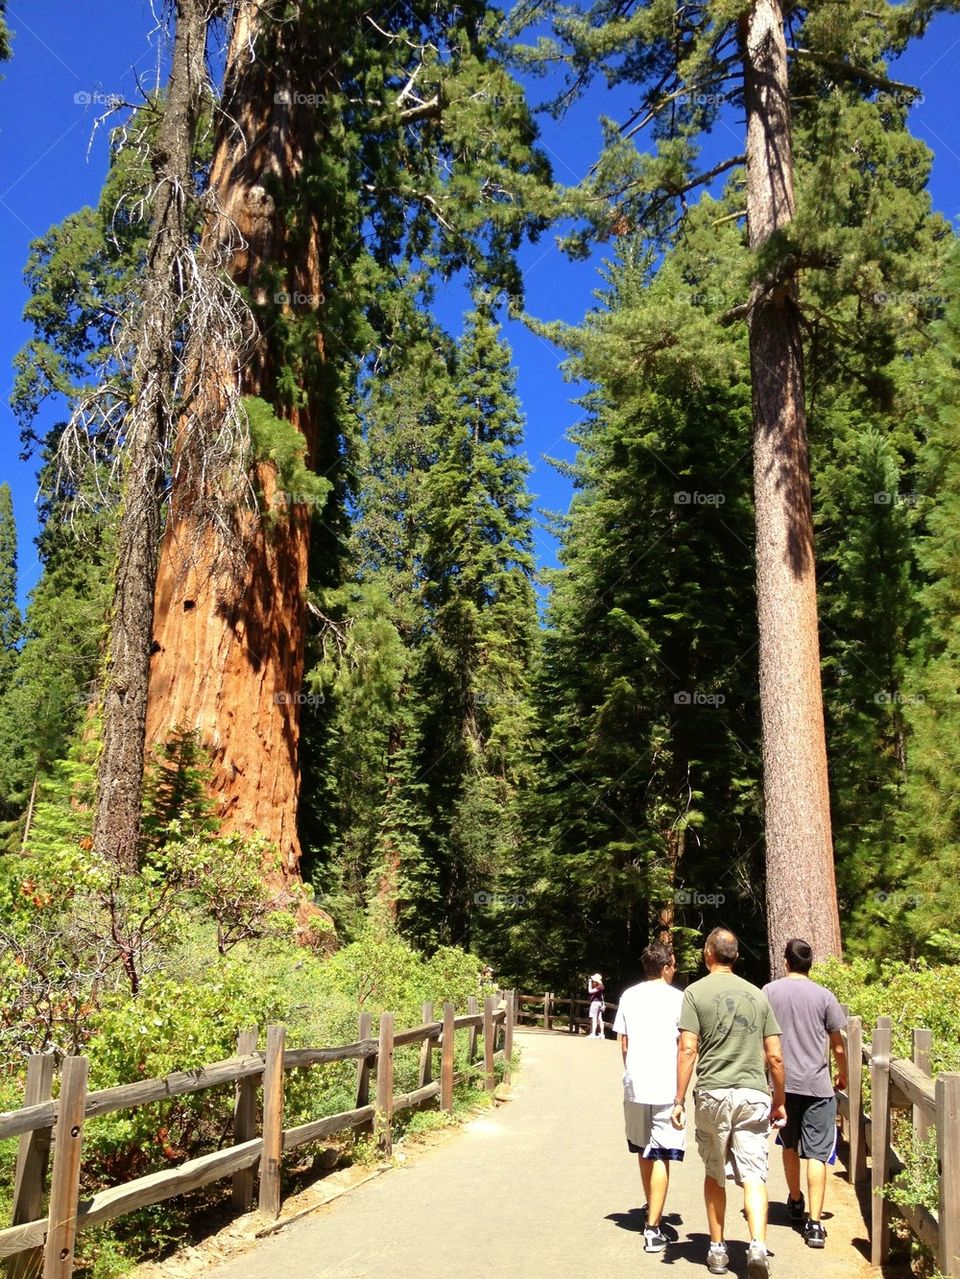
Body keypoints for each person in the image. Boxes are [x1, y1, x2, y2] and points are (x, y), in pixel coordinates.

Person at [671, 928, 785, 1279]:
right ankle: (757, 1247)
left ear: (708, 953)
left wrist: (678, 1100)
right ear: (735, 956)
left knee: (714, 1172)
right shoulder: (757, 994)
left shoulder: (694, 993)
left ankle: (718, 1249)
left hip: (713, 1093)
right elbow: (776, 1056)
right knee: (754, 1175)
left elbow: (688, 1048)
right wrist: (778, 1101)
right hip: (753, 1094)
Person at [763, 938, 847, 1249]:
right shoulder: (824, 996)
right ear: (809, 964)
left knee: (789, 1143)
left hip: (783, 1084)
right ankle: (814, 1223)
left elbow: (762, 1039)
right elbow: (837, 1044)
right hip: (817, 1085)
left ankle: (795, 1201)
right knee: (817, 1153)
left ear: (786, 961)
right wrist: (843, 1073)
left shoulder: (769, 992)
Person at [613, 943, 686, 1254]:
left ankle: (650, 1208)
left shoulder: (629, 995)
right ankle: (653, 1227)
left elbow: (624, 1042)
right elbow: (686, 1044)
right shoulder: (680, 999)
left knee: (644, 1150)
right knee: (661, 1154)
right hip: (667, 1086)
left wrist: (631, 1071)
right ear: (666, 966)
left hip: (636, 1084)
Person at [588, 972, 605, 1038]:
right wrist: (603, 1003)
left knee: (594, 1018)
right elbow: (602, 996)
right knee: (600, 1018)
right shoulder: (601, 986)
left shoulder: (599, 986)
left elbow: (590, 991)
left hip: (595, 1003)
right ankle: (602, 1034)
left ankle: (593, 1033)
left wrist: (589, 984)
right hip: (599, 1003)